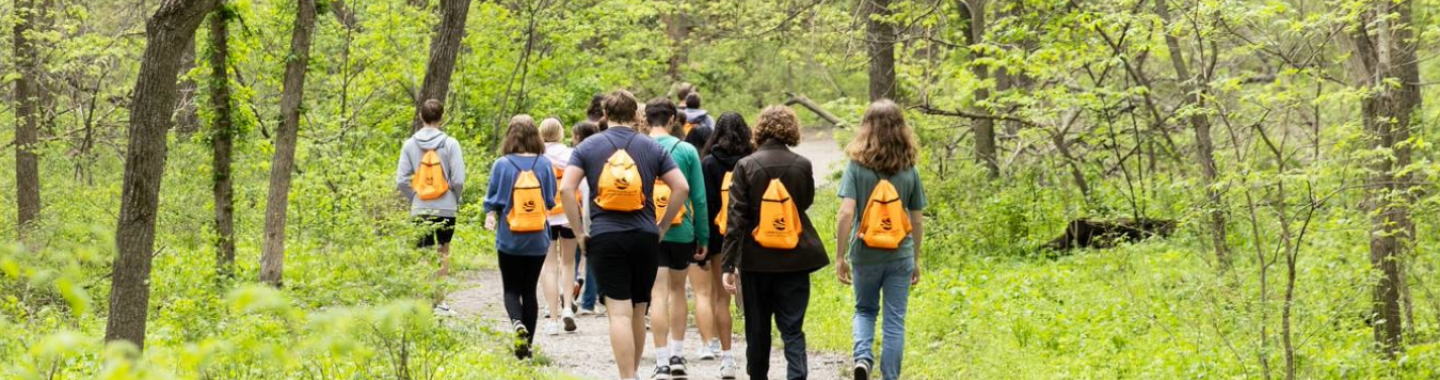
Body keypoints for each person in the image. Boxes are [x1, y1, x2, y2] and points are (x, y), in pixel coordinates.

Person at [560, 90, 690, 380]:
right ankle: (634, 372)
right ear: (635, 115)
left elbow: (566, 189)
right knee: (638, 309)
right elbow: (681, 187)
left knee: (618, 312)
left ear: (605, 115)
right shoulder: (652, 147)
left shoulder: (587, 146)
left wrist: (580, 233)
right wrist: (662, 226)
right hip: (645, 236)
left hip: (605, 236)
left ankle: (627, 377)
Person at [720, 105, 829, 380]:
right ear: (791, 129)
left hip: (755, 261)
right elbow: (805, 202)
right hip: (794, 259)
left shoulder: (745, 166)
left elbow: (735, 219)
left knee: (757, 329)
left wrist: (728, 265)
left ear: (760, 130)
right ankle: (797, 375)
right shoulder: (802, 165)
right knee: (792, 328)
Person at [835, 100, 926, 380]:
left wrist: (840, 256)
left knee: (864, 310)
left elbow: (846, 213)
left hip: (865, 252)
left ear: (867, 128)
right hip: (900, 254)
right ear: (901, 129)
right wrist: (915, 259)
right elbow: (917, 219)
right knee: (894, 321)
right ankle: (890, 377)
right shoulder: (910, 169)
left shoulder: (856, 167)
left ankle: (863, 359)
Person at [482, 115, 559, 360]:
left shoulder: (502, 164)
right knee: (529, 290)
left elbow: (493, 200)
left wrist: (490, 216)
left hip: (510, 238)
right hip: (537, 238)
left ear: (510, 136)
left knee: (511, 289)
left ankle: (517, 324)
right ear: (535, 136)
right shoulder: (544, 164)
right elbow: (550, 200)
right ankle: (529, 349)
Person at [643, 99, 709, 380]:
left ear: (646, 119)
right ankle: (677, 355)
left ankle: (660, 362)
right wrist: (703, 236)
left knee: (656, 294)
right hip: (682, 231)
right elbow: (699, 198)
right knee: (678, 290)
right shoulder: (687, 150)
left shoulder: (637, 147)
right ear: (672, 119)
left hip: (648, 230)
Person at [395, 99, 466, 315]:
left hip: (420, 209)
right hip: (446, 208)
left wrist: (415, 198)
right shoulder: (451, 144)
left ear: (421, 116)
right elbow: (458, 180)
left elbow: (401, 180)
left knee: (423, 253)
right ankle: (439, 303)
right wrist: (453, 199)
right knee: (443, 252)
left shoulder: (410, 144)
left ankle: (422, 303)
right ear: (441, 117)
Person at [699, 112, 754, 379]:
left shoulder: (709, 163)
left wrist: (703, 240)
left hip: (719, 237)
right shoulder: (753, 160)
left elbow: (706, 204)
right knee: (753, 297)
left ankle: (728, 358)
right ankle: (755, 352)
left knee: (722, 298)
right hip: (752, 236)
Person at [539, 117, 579, 335]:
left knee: (549, 266)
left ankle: (552, 318)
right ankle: (568, 307)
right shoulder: (570, 154)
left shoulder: (537, 156)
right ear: (560, 133)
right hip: (568, 215)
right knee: (568, 262)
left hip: (545, 215)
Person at [571, 121, 605, 316]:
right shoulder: (600, 157)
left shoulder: (577, 157)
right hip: (592, 217)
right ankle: (588, 302)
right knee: (592, 260)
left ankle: (569, 296)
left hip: (575, 216)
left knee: (573, 258)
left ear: (579, 137)